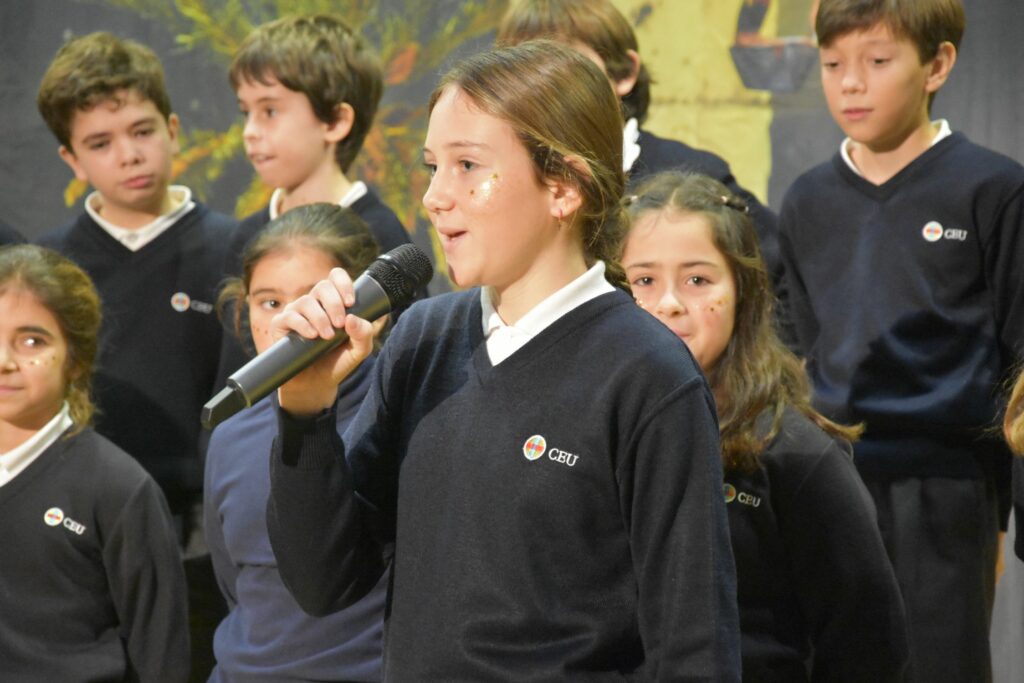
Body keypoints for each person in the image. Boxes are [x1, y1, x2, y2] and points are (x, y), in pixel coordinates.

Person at [265, 40, 740, 681]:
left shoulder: (646, 373)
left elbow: (693, 641)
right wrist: (304, 412)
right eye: (433, 166)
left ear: (564, 186)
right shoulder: (423, 340)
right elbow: (325, 583)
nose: (435, 196)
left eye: (467, 165)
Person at [778, 1, 1024, 680]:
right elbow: (798, 348)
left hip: (944, 484)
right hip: (829, 477)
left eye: (877, 61)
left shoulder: (993, 189)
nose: (850, 83)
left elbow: (1019, 360)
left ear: (936, 64)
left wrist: (1004, 507)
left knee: (937, 663)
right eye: (832, 65)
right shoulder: (805, 199)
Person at [622, 170, 909, 681]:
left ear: (744, 293)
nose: (668, 303)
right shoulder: (589, 435)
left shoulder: (793, 453)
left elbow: (869, 645)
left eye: (698, 280)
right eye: (644, 280)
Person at [34, 31, 235, 680]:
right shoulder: (48, 269)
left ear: (174, 128)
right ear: (71, 159)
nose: (129, 155)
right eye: (100, 142)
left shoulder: (239, 251)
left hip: (202, 542)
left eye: (142, 130)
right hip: (76, 537)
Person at [205, 203, 387, 682]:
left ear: (372, 308)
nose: (292, 321)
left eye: (315, 298)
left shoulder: (399, 413)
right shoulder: (230, 435)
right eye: (269, 302)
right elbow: (236, 585)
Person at [495, 0, 782, 296]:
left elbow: (778, 282)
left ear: (623, 73)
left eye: (564, 66)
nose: (541, 86)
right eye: (520, 72)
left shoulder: (696, 175)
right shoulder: (499, 182)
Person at [0, 244, 188, 682]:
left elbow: (160, 651)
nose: (4, 362)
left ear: (76, 359)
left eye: (32, 340)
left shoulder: (118, 488)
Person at [217, 15, 413, 366]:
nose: (250, 131)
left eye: (270, 110)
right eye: (246, 112)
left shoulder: (381, 234)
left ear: (336, 121)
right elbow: (232, 369)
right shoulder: (246, 235)